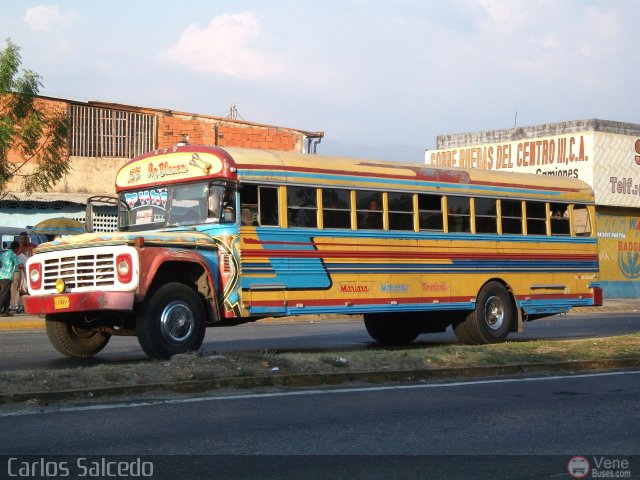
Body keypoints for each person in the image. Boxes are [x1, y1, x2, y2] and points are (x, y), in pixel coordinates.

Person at [0, 242, 20, 317]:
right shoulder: (13, 255)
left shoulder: (4, 253)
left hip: (1, 275)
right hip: (7, 276)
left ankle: (6, 310)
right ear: (16, 248)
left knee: (7, 294)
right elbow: (18, 264)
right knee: (3, 294)